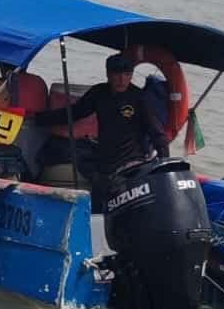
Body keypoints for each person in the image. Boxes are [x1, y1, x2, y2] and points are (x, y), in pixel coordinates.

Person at [34, 52, 169, 207]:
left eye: (127, 74)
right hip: (105, 162)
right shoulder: (99, 93)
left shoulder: (139, 98)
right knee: (98, 205)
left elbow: (157, 133)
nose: (122, 79)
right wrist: (38, 118)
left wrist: (165, 166)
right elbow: (75, 112)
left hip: (131, 161)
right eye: (117, 74)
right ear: (108, 74)